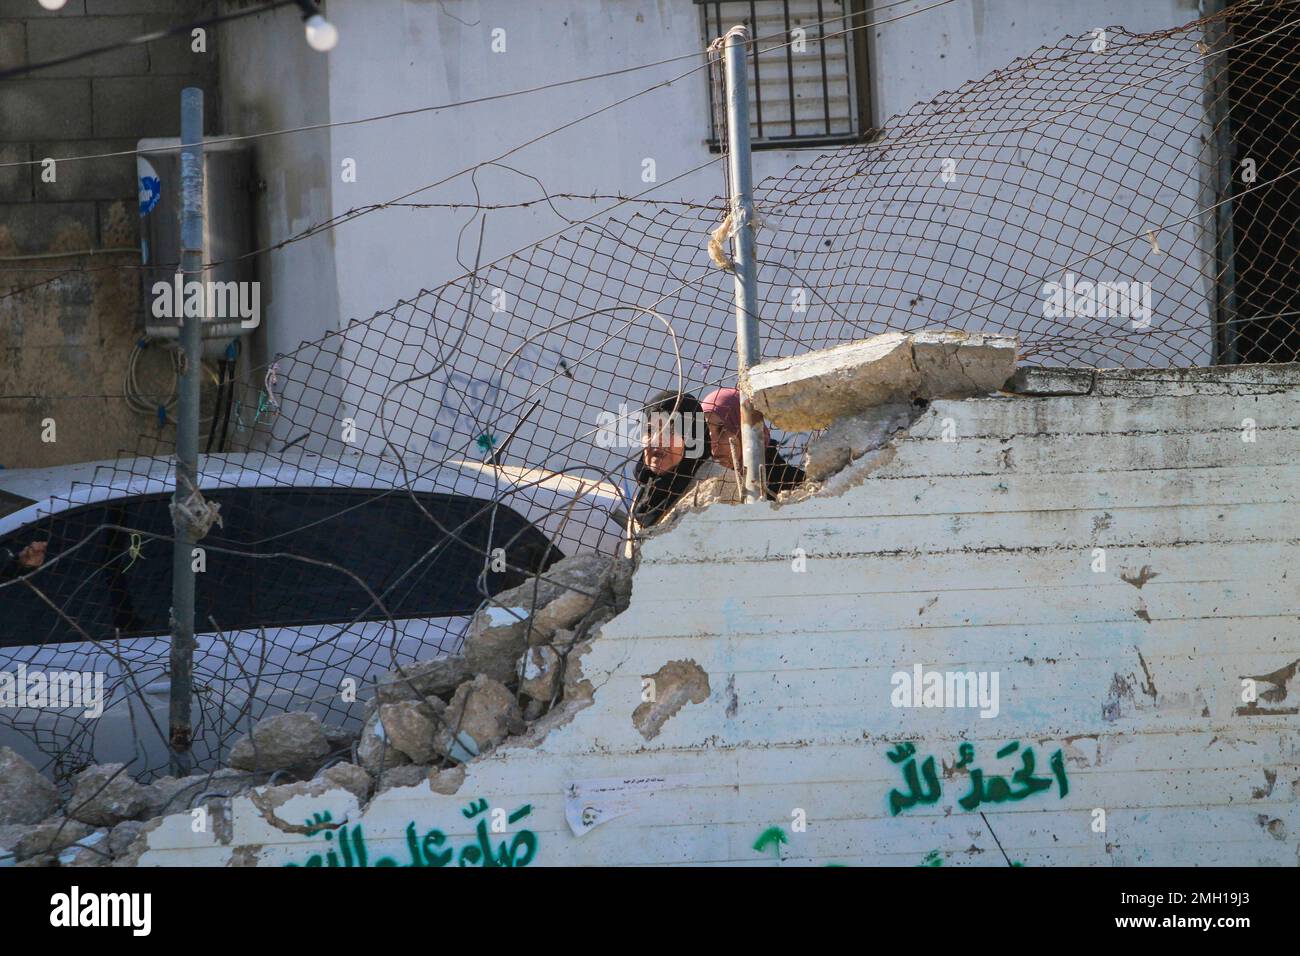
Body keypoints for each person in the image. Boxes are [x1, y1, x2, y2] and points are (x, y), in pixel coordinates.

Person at [630, 391, 713, 530]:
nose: (657, 440)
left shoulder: (714, 489)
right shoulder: (647, 490)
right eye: (649, 429)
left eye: (671, 430)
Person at [699, 387, 806, 496]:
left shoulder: (796, 486)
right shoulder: (704, 489)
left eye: (722, 429)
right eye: (706, 431)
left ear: (743, 427)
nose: (713, 444)